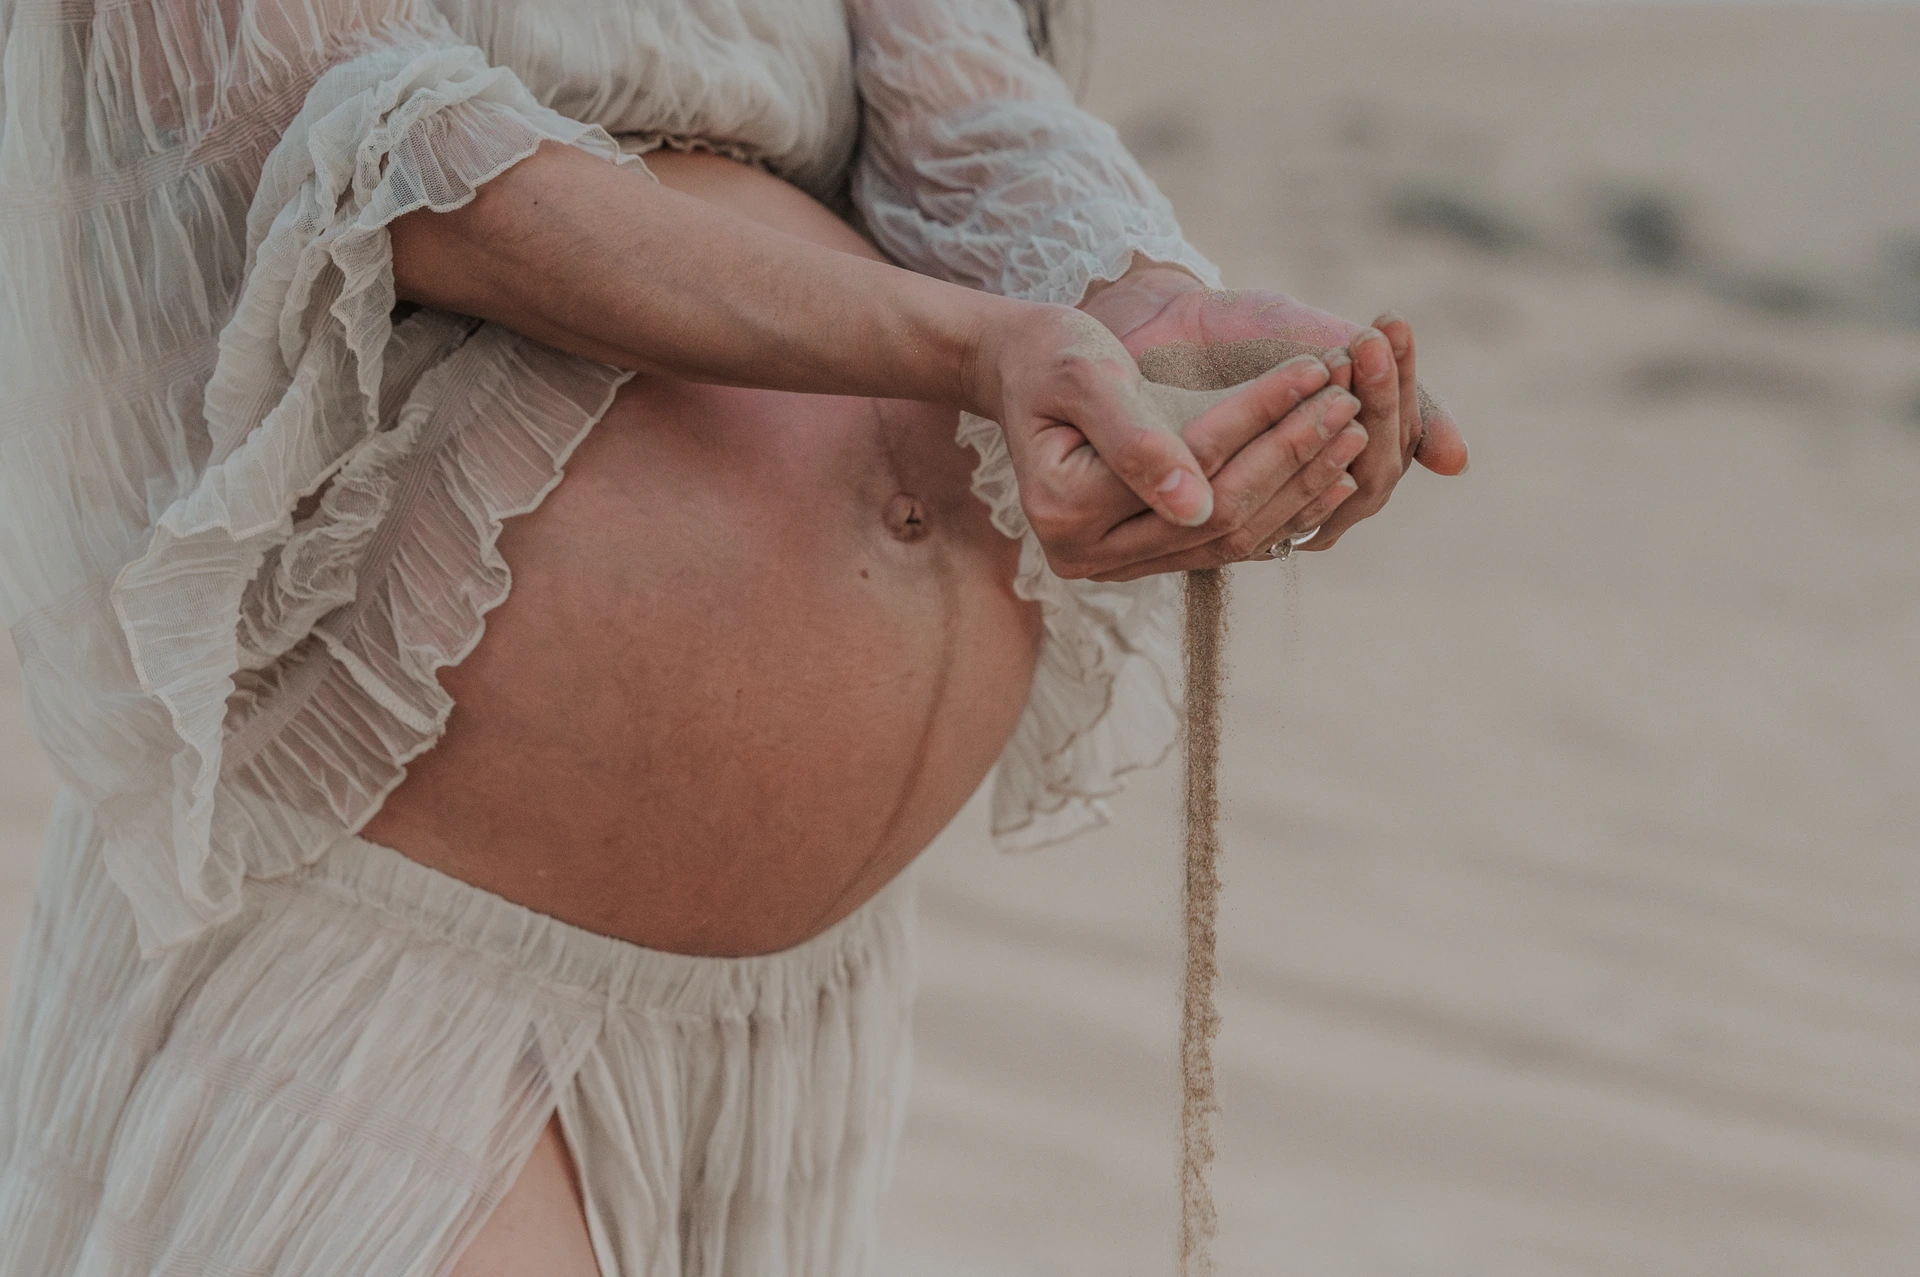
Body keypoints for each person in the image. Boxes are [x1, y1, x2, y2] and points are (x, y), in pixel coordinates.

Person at [0, 0, 1467, 1272]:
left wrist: (1159, 319)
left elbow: (960, 101)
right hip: (392, 955)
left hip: (786, 1033)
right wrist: (967, 347)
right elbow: (393, 162)